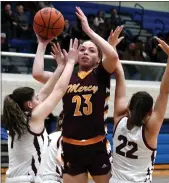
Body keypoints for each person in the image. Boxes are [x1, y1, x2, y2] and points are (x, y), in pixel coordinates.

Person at [32, 6, 120, 183]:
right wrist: (42, 45)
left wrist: (88, 30)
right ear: (76, 54)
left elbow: (113, 56)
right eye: (82, 49)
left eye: (91, 50)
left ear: (98, 58)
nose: (85, 52)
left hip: (97, 145)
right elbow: (38, 74)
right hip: (71, 147)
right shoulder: (67, 76)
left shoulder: (101, 74)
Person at [3, 36, 78, 183]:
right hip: (28, 179)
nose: (40, 98)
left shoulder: (20, 119)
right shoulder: (34, 118)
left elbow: (44, 91)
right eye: (36, 98)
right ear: (29, 105)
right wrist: (70, 63)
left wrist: (43, 45)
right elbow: (58, 91)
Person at [110, 37, 169, 182]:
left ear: (128, 107)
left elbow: (120, 76)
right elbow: (164, 92)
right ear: (150, 113)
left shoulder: (118, 119)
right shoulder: (150, 131)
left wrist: (112, 48)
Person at [40, 110, 64, 183]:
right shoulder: (64, 137)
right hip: (54, 178)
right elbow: (59, 159)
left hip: (40, 178)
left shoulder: (48, 136)